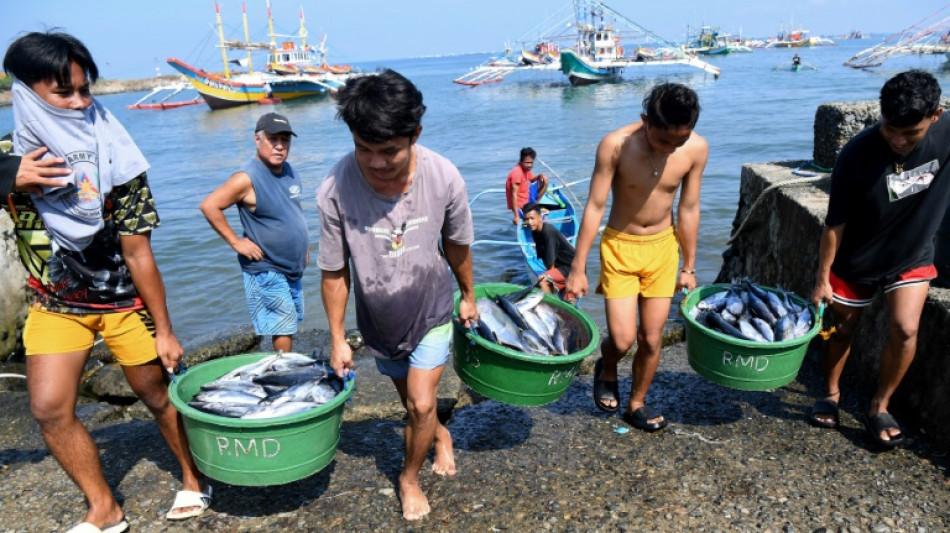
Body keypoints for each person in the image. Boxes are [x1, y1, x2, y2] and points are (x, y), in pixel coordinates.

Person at [2, 31, 209, 532]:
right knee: (49, 410)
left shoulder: (117, 153)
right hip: (53, 304)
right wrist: (10, 177)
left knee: (157, 396)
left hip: (123, 302)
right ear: (27, 94)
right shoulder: (12, 156)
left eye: (84, 89)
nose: (79, 102)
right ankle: (104, 507)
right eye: (64, 92)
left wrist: (164, 328)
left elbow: (139, 252)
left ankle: (194, 478)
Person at [316, 69, 477, 521]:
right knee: (409, 403)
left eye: (389, 150)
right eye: (363, 149)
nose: (376, 162)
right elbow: (334, 271)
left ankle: (408, 477)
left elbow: (457, 245)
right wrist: (336, 338)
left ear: (415, 134)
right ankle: (439, 434)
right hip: (377, 319)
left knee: (422, 402)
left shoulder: (444, 176)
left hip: (430, 306)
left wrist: (469, 294)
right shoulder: (334, 189)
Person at [808, 70, 950, 449]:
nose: (900, 141)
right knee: (843, 328)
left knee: (905, 328)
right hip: (857, 256)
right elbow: (834, 224)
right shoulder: (856, 154)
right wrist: (822, 278)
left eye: (912, 134)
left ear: (935, 116)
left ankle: (879, 406)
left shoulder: (948, 132)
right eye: (891, 130)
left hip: (912, 253)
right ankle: (832, 393)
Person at [565, 83, 707, 432]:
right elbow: (596, 206)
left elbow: (689, 208)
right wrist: (578, 267)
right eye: (663, 141)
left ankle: (636, 403)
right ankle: (608, 363)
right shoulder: (615, 146)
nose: (670, 150)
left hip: (663, 248)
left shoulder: (696, 150)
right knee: (624, 337)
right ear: (645, 121)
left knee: (653, 337)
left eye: (680, 141)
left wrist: (689, 266)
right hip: (620, 247)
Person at [200, 113, 309, 352]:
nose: (280, 146)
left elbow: (291, 212)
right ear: (257, 139)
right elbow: (210, 205)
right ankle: (282, 374)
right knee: (283, 325)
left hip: (291, 264)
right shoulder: (246, 177)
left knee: (291, 320)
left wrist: (303, 248)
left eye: (285, 140)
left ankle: (282, 367)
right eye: (273, 139)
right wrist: (236, 243)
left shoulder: (288, 170)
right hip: (266, 267)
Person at [522, 202, 575, 295]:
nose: (530, 222)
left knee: (542, 280)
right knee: (546, 283)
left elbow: (550, 263)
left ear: (540, 217)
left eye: (532, 218)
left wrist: (547, 277)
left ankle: (550, 304)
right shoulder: (535, 232)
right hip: (561, 267)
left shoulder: (548, 231)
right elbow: (545, 259)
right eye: (526, 219)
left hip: (572, 268)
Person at [506, 146, 549, 225]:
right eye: (527, 163)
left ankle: (535, 205)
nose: (529, 165)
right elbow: (514, 194)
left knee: (545, 181)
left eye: (531, 162)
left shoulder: (526, 169)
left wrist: (540, 176)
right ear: (521, 161)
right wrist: (516, 215)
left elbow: (532, 179)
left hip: (526, 198)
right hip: (520, 205)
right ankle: (528, 212)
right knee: (538, 220)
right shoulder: (517, 173)